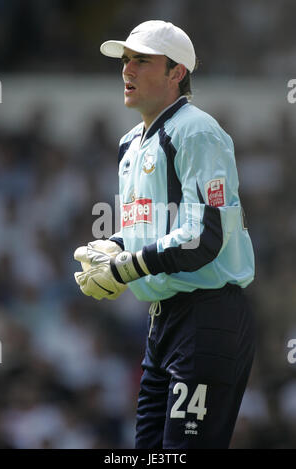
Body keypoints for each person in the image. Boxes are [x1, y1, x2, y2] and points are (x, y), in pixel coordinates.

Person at [74, 20, 255, 449]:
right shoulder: (130, 143)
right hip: (163, 324)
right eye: (125, 60)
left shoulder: (198, 131)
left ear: (177, 73)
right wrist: (113, 246)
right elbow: (152, 230)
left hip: (208, 317)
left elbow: (201, 237)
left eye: (141, 60)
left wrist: (124, 269)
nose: (127, 70)